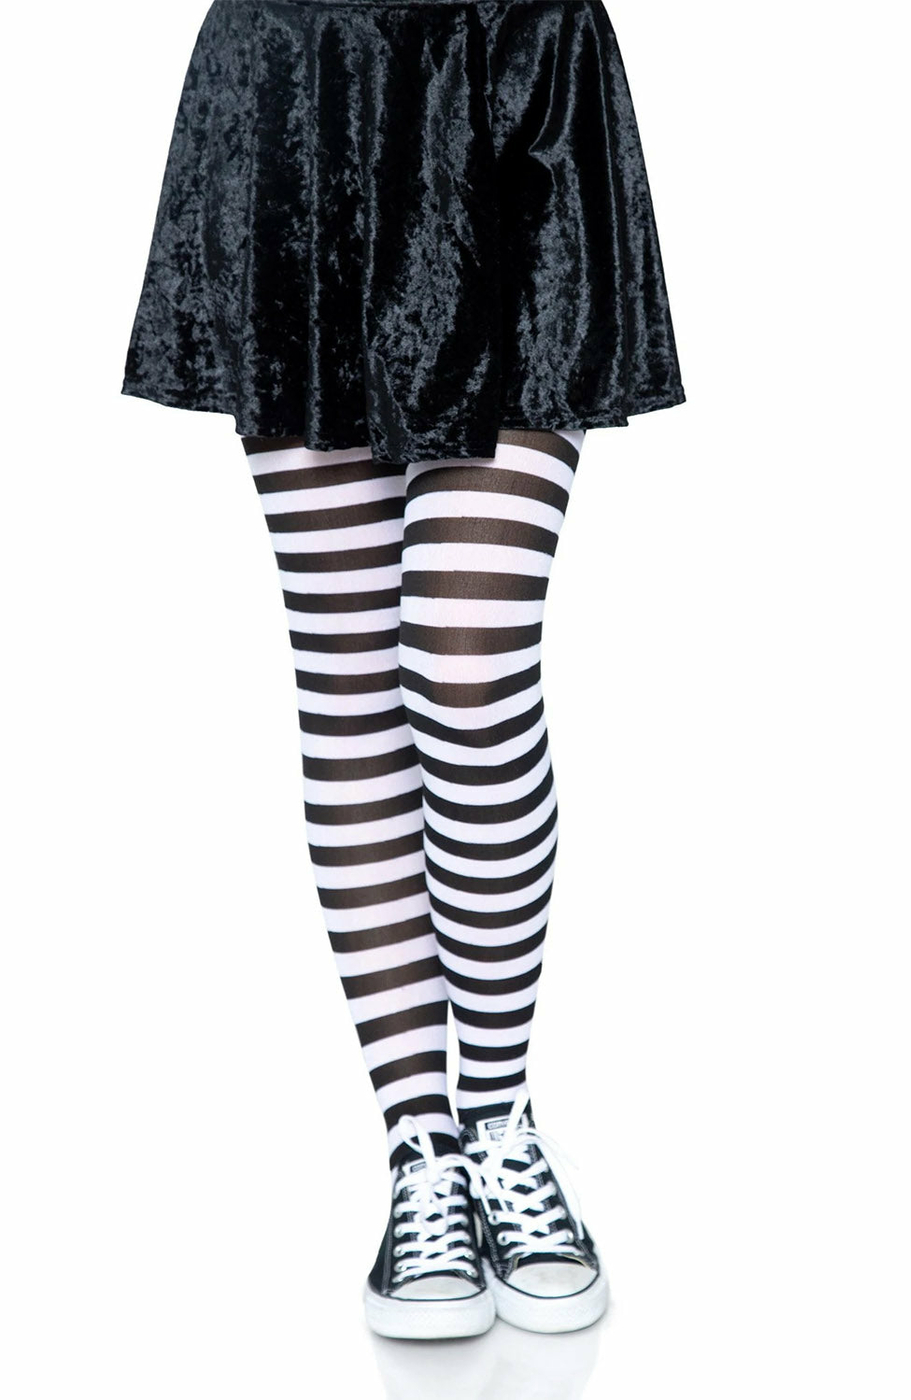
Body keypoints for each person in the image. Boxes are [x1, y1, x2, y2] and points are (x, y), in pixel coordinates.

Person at [120, 0, 685, 1339]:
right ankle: (422, 1147)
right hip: (299, 82)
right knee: (349, 671)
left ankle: (499, 1118)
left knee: (464, 665)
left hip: (514, 72)